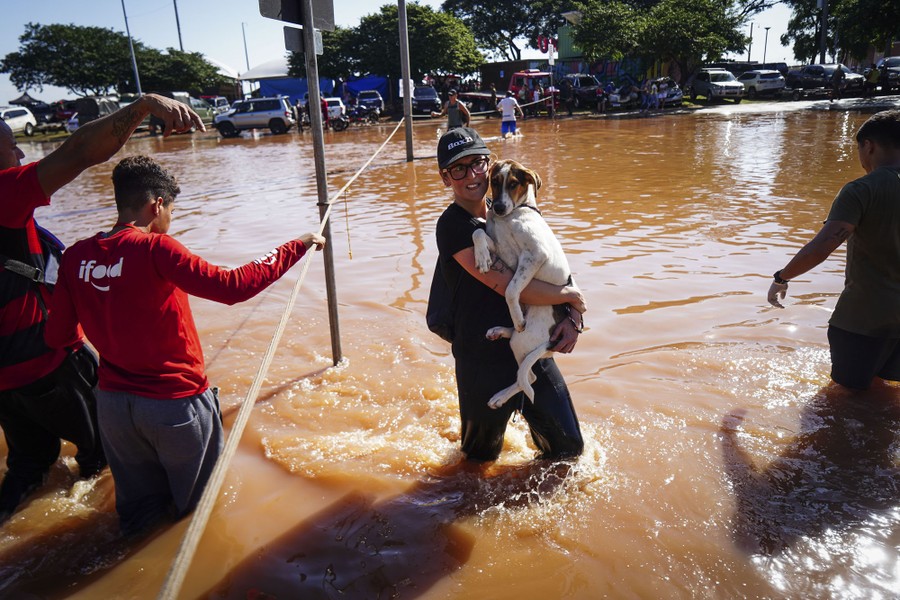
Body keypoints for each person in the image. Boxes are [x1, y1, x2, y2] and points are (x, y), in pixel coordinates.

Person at [43, 155, 326, 535]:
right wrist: (299, 244)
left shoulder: (76, 257)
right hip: (174, 405)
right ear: (156, 205)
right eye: (170, 210)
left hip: (113, 408)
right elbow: (234, 286)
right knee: (199, 518)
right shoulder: (157, 249)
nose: (169, 220)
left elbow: (58, 337)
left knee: (139, 518)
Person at [0, 94, 203, 523]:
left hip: (5, 384)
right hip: (45, 362)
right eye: (9, 145)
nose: (20, 152)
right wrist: (143, 106)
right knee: (104, 459)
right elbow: (76, 153)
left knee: (27, 466)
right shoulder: (4, 195)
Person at [433, 127, 585, 462]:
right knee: (478, 462)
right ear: (446, 178)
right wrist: (572, 298)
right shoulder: (454, 227)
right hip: (482, 360)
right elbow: (511, 286)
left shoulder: (512, 211)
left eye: (478, 164)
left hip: (530, 345)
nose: (471, 175)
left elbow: (553, 262)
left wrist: (574, 317)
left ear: (491, 167)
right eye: (458, 168)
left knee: (568, 450)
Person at [767, 109, 900, 391]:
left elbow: (823, 246)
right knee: (882, 391)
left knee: (846, 399)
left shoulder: (862, 190)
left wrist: (782, 277)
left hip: (864, 317)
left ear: (869, 146)